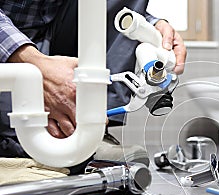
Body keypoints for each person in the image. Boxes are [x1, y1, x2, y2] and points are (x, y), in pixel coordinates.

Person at [0, 0, 187, 158]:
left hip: (51, 34)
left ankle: (93, 131)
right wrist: (32, 61)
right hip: (9, 44)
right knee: (19, 139)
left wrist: (147, 26)